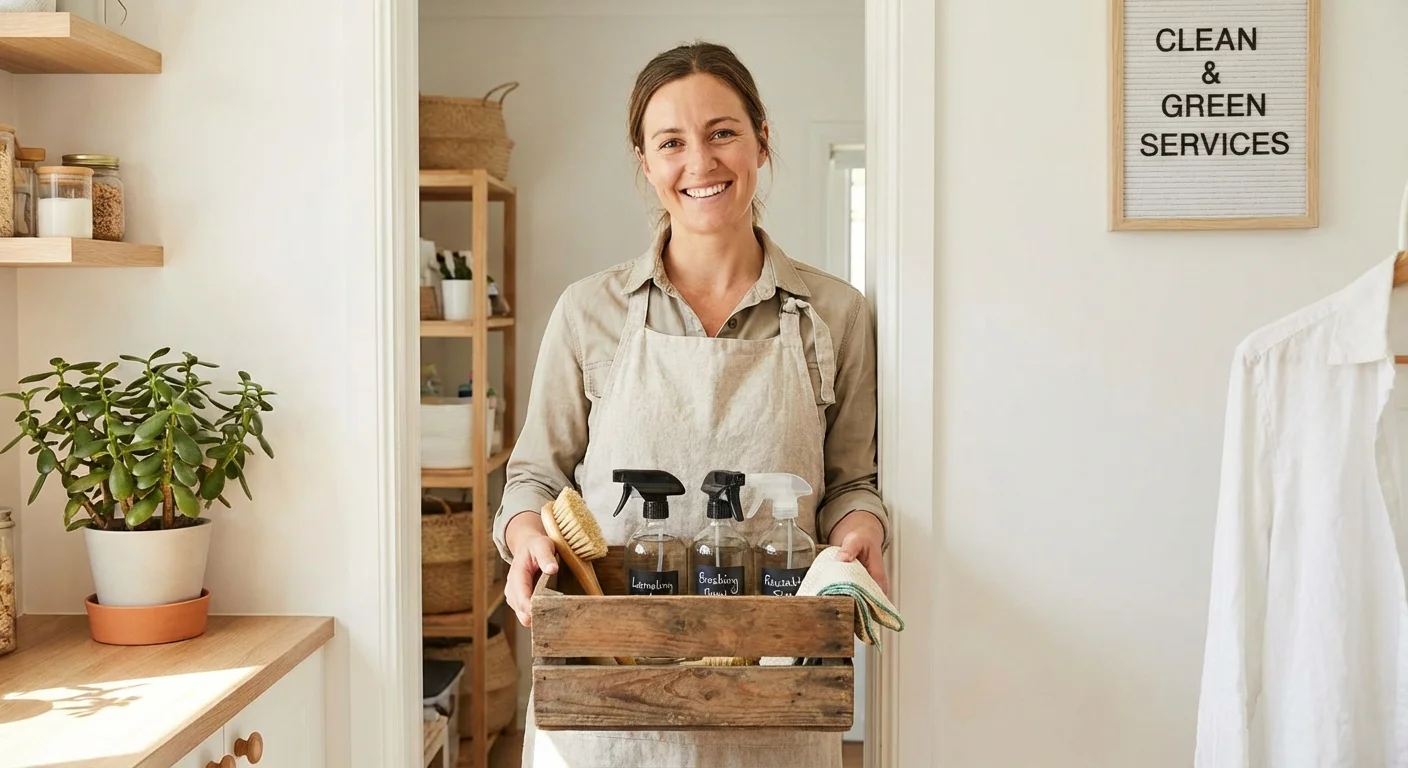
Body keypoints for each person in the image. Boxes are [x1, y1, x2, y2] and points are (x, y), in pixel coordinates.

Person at [492, 40, 889, 768]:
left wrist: (863, 531)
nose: (700, 164)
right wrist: (525, 539)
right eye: (671, 142)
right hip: (608, 709)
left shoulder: (836, 314)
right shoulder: (589, 313)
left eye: (723, 133)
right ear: (645, 163)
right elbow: (534, 481)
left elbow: (850, 484)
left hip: (775, 706)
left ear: (762, 141)